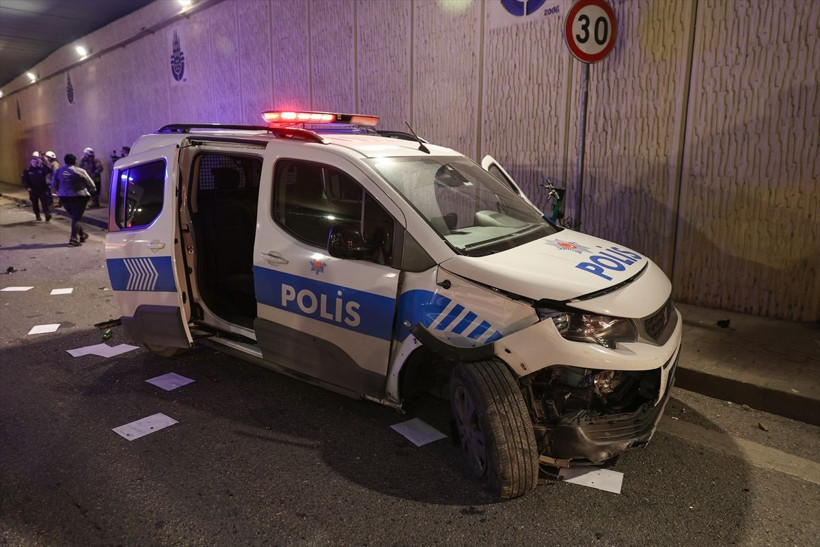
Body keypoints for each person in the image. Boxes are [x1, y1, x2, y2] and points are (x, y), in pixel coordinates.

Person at [53, 154, 96, 247]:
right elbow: (91, 184)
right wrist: (92, 191)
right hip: (78, 196)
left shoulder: (58, 171)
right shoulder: (80, 171)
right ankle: (73, 238)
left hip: (64, 197)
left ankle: (82, 235)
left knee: (75, 216)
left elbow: (54, 184)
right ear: (75, 161)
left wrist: (60, 192)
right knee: (77, 217)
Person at [22, 153, 52, 221]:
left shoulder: (41, 169)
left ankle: (47, 214)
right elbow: (25, 180)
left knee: (45, 203)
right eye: (33, 162)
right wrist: (27, 187)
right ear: (31, 162)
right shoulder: (27, 170)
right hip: (33, 190)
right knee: (35, 203)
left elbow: (49, 171)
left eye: (36, 162)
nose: (34, 163)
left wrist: (42, 164)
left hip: (42, 189)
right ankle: (37, 215)